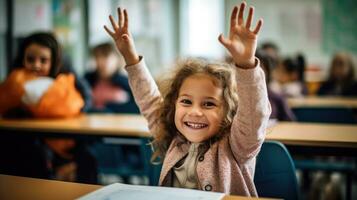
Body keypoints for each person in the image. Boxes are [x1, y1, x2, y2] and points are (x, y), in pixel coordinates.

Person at [105, 2, 270, 196]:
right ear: (174, 104)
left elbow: (254, 115)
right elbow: (149, 100)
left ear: (229, 110)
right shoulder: (174, 136)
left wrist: (246, 63)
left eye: (209, 104)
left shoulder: (237, 145)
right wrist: (130, 56)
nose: (194, 112)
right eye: (186, 101)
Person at [0, 32, 97, 184]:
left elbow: (86, 99)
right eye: (30, 59)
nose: (36, 65)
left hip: (63, 141)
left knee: (88, 158)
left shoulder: (67, 77)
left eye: (43, 60)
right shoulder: (15, 79)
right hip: (29, 142)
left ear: (54, 61)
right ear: (22, 59)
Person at [84, 42, 139, 113]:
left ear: (117, 59)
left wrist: (109, 108)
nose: (101, 61)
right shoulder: (87, 80)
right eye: (97, 57)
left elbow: (138, 108)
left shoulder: (126, 82)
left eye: (106, 56)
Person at [256, 49, 296, 121]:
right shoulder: (235, 98)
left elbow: (291, 122)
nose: (253, 73)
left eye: (260, 68)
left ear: (267, 71)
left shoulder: (276, 98)